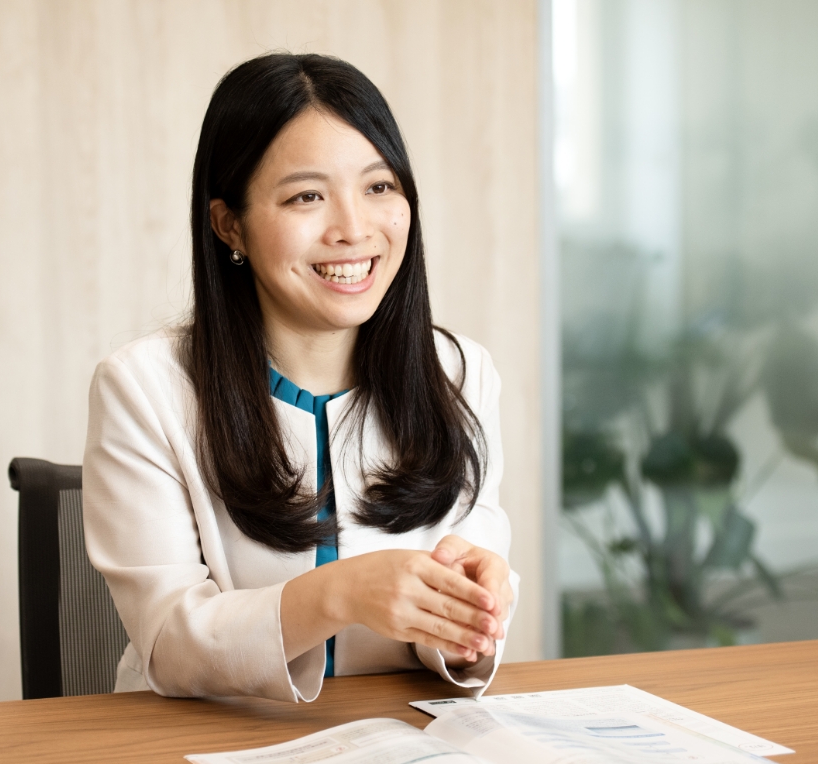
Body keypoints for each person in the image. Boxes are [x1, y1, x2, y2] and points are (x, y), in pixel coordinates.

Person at [83, 52, 517, 703]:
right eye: (307, 196)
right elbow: (169, 646)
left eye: (378, 187)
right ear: (230, 225)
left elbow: (464, 613)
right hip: (198, 747)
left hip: (402, 745)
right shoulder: (143, 387)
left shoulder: (459, 372)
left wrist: (468, 616)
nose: (353, 230)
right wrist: (339, 593)